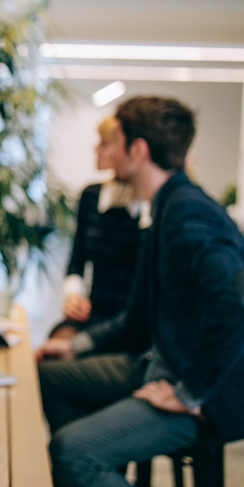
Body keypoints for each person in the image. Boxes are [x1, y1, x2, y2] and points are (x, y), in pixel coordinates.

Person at [36, 96, 244, 487]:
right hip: (160, 362)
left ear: (138, 150)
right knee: (50, 376)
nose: (106, 151)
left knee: (71, 451)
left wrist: (191, 391)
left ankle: (92, 475)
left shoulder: (188, 213)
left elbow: (241, 303)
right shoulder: (168, 205)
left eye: (113, 141)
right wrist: (77, 345)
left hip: (208, 393)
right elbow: (137, 320)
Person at [49, 117, 148, 341]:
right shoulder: (92, 195)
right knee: (52, 347)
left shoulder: (148, 207)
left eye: (104, 143)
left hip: (128, 324)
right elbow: (77, 259)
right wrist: (73, 296)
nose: (95, 149)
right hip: (91, 314)